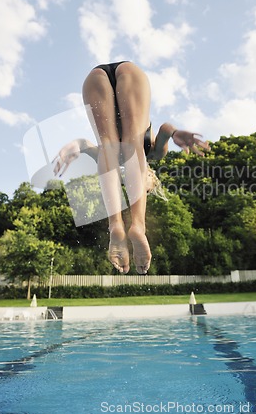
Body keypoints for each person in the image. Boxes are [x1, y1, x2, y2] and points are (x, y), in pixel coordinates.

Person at [53, 61, 210, 275]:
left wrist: (74, 145)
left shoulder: (112, 161)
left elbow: (85, 146)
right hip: (127, 73)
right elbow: (165, 129)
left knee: (108, 146)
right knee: (132, 143)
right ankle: (137, 225)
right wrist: (175, 133)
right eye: (145, 190)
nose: (134, 187)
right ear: (151, 179)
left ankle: (115, 225)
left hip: (96, 77)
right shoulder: (154, 154)